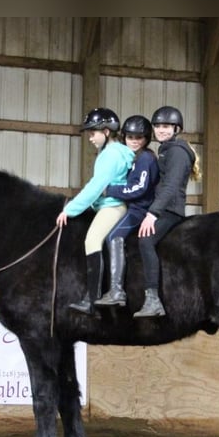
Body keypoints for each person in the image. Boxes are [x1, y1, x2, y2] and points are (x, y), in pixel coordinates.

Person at [56, 107, 135, 314]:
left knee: (92, 240)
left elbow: (96, 186)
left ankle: (92, 300)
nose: (90, 138)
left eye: (93, 133)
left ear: (107, 132)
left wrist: (70, 210)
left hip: (112, 206)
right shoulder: (110, 152)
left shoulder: (111, 154)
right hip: (105, 205)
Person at [133, 105, 200, 318]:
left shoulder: (178, 152)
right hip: (163, 207)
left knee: (145, 240)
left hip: (170, 210)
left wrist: (152, 214)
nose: (161, 130)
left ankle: (153, 299)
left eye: (166, 126)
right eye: (158, 126)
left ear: (176, 128)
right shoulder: (166, 149)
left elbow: (170, 187)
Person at [94, 115, 160, 307]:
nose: (134, 141)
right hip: (132, 206)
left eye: (139, 137)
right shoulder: (132, 157)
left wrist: (110, 190)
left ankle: (116, 290)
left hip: (140, 209)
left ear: (146, 139)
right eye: (130, 137)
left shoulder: (145, 158)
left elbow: (138, 187)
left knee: (114, 236)